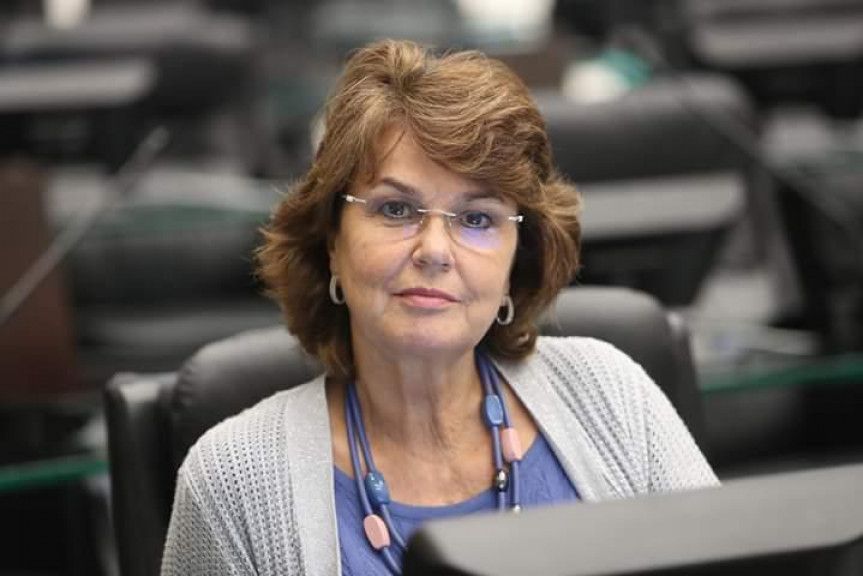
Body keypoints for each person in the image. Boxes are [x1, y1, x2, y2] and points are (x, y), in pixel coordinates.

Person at [161, 39, 717, 576]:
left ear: (514, 263)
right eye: (397, 209)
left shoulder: (613, 397)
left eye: (476, 219)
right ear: (331, 240)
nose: (433, 251)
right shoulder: (233, 480)